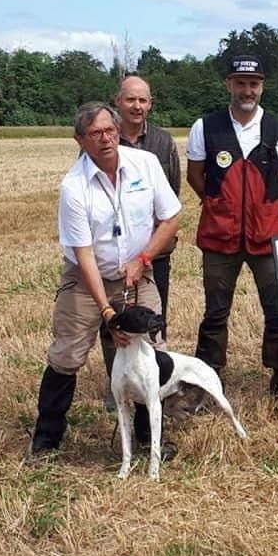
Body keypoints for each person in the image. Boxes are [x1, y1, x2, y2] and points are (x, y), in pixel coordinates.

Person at [28, 101, 181, 459]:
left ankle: (147, 439)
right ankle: (46, 441)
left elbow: (171, 218)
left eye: (110, 130)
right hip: (86, 278)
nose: (105, 139)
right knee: (67, 355)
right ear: (80, 140)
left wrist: (143, 259)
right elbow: (83, 257)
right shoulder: (73, 187)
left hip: (137, 271)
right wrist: (108, 313)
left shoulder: (146, 164)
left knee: (149, 351)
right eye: (95, 133)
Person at [186, 55, 278, 401]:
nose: (247, 90)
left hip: (266, 237)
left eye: (253, 84)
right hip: (219, 236)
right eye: (240, 83)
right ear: (229, 85)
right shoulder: (205, 126)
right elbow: (195, 175)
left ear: (262, 86)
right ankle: (208, 379)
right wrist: (218, 202)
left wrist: (271, 204)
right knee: (215, 310)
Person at [99, 74, 182, 413]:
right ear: (117, 101)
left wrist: (152, 246)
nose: (137, 106)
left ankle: (158, 388)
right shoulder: (101, 138)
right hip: (113, 255)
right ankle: (117, 384)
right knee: (113, 321)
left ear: (150, 104)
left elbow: (172, 195)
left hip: (154, 252)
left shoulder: (163, 143)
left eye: (143, 100)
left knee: (152, 319)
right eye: (130, 99)